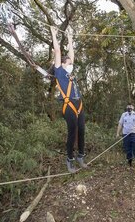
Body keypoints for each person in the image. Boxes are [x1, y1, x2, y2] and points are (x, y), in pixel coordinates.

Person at [50, 26, 87, 173]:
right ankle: (70, 159)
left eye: (72, 63)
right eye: (70, 63)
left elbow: (72, 53)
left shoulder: (70, 72)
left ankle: (80, 156)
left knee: (82, 130)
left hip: (79, 104)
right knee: (72, 132)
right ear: (63, 63)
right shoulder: (59, 71)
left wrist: (70, 38)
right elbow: (58, 51)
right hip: (68, 105)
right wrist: (54, 34)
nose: (72, 65)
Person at [116, 103, 135, 167]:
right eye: (128, 106)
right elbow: (120, 124)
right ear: (126, 107)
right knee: (128, 149)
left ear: (133, 107)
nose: (129, 107)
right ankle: (129, 163)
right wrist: (117, 133)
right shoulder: (124, 115)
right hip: (126, 134)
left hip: (134, 134)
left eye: (130, 106)